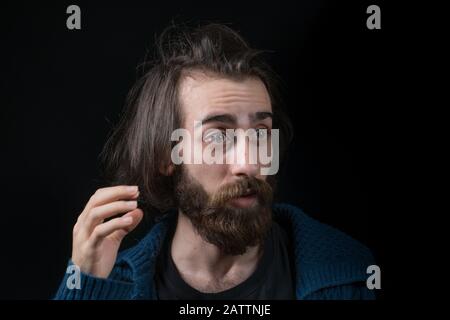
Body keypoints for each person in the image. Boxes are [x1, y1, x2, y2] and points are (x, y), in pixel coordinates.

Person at [55, 23, 375, 300]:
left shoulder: (351, 273)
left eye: (261, 133)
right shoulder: (109, 284)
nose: (249, 164)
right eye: (219, 137)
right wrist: (86, 287)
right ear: (167, 156)